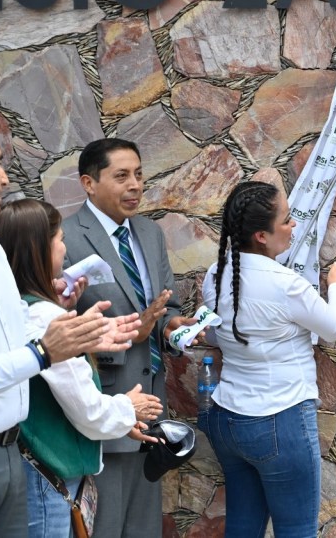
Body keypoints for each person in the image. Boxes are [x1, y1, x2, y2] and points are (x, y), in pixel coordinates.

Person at [0, 124, 140, 538]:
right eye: (58, 240)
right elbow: (87, 409)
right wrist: (128, 408)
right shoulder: (42, 317)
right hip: (36, 467)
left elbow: (12, 320)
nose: (5, 177)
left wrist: (66, 316)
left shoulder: (8, 273)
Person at [200, 181, 336, 538]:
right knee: (296, 531)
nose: (293, 226)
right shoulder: (287, 284)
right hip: (279, 420)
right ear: (261, 236)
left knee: (242, 527)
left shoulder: (216, 275)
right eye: (286, 220)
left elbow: (214, 333)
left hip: (227, 418)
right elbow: (335, 327)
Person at [63, 138, 197, 538]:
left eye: (138, 174)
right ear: (89, 183)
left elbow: (162, 307)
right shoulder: (65, 237)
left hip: (153, 409)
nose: (135, 184)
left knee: (143, 530)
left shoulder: (149, 233)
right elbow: (54, 324)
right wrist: (124, 333)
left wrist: (171, 327)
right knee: (101, 528)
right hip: (103, 404)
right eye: (121, 176)